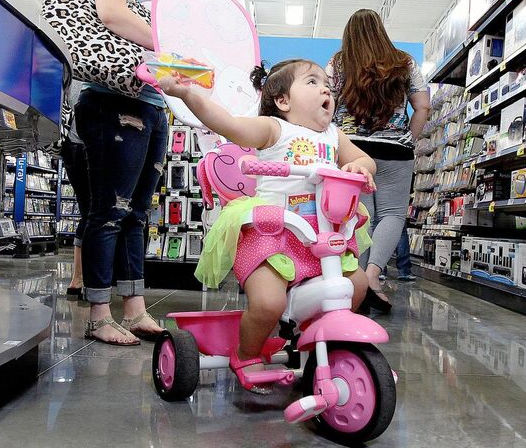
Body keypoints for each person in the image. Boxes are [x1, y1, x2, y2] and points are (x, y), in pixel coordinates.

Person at [159, 59, 375, 393]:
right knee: (268, 304)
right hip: (272, 234)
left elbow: (365, 159)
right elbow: (228, 125)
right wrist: (188, 94)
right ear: (283, 101)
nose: (325, 89)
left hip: (320, 235)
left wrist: (360, 168)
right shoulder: (275, 129)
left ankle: (313, 338)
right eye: (313, 82)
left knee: (356, 284)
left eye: (327, 85)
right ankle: (246, 353)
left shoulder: (335, 134)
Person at [73, 0, 168, 345]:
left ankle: (133, 308)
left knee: (136, 214)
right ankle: (98, 313)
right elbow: (109, 13)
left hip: (147, 104)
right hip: (115, 103)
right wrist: (168, 43)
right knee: (110, 210)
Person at [327, 9, 430, 312]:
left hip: (351, 150)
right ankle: (373, 277)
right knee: (393, 215)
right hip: (395, 150)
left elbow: (326, 103)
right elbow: (422, 106)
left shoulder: (338, 63)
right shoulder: (405, 62)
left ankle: (355, 285)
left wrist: (334, 136)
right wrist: (408, 137)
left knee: (361, 216)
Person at [60, 82, 90, 299]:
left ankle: (78, 277)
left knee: (87, 212)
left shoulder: (70, 73)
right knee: (93, 212)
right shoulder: (89, 78)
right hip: (87, 146)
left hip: (74, 145)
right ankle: (82, 277)